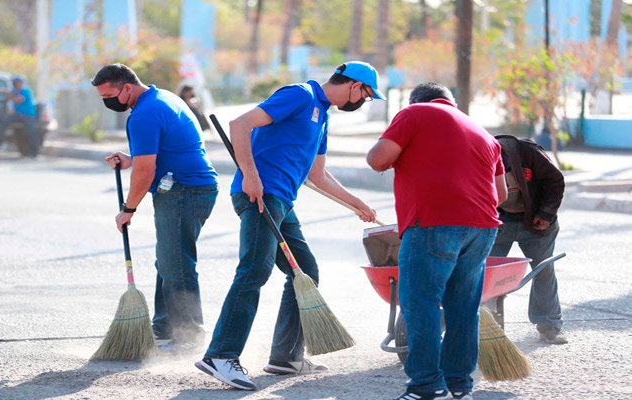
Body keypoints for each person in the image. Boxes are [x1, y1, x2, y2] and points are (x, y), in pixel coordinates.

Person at [195, 61, 383, 391]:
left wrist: (358, 205)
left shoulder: (322, 116)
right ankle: (220, 356)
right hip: (260, 196)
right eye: (366, 95)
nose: (363, 102)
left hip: (281, 201)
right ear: (354, 85)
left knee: (305, 270)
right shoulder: (300, 95)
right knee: (254, 270)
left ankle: (285, 357)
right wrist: (251, 175)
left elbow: (317, 175)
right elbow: (239, 124)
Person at [367, 82, 507, 400]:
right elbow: (500, 195)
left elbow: (377, 159)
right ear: (450, 103)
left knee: (420, 303)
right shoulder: (483, 132)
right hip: (482, 228)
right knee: (463, 307)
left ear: (418, 100)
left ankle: (427, 386)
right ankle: (459, 386)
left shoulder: (415, 112)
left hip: (433, 223)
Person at [91, 63, 219, 353]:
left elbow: (145, 172)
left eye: (109, 94)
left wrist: (129, 209)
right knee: (168, 260)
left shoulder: (144, 114)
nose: (106, 101)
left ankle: (189, 337)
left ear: (127, 87)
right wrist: (131, 158)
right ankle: (163, 329)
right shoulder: (161, 97)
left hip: (184, 190)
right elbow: (164, 150)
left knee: (177, 264)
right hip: (190, 187)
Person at [490, 135, 566, 345]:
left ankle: (549, 324)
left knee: (543, 270)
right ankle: (487, 329)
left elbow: (555, 181)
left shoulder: (527, 152)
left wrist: (546, 213)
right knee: (486, 276)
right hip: (498, 222)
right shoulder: (479, 156)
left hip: (535, 220)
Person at [0, 76, 39, 157]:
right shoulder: (14, 91)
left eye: (19, 83)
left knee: (31, 132)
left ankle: (34, 151)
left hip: (27, 114)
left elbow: (17, 100)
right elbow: (7, 93)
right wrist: (3, 91)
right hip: (17, 114)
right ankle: (1, 142)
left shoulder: (25, 91)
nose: (17, 84)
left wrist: (9, 95)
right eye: (16, 83)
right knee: (4, 121)